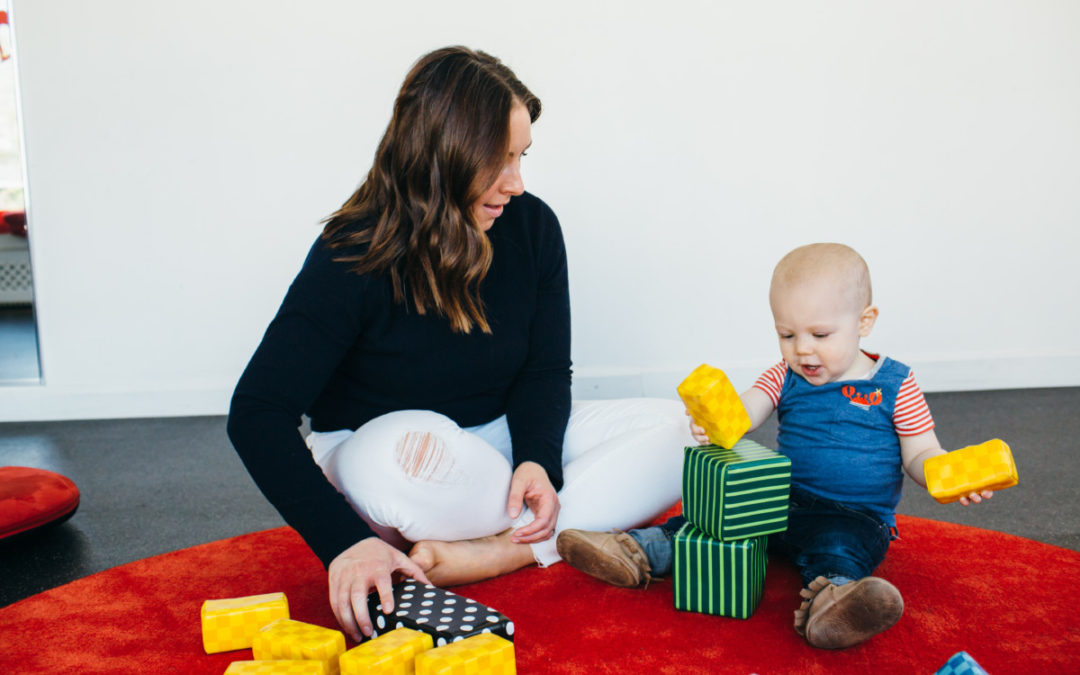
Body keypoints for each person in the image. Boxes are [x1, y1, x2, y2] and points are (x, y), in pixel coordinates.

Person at [226, 46, 690, 643]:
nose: (516, 183)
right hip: (387, 458)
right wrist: (346, 543)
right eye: (499, 161)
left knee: (684, 432)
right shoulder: (353, 253)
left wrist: (539, 461)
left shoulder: (534, 227)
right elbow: (257, 413)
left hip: (496, 442)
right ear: (441, 157)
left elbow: (546, 369)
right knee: (406, 458)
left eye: (522, 157)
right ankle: (554, 523)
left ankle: (507, 550)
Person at [556, 243, 994, 650]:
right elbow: (747, 409)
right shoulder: (785, 375)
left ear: (864, 321)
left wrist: (947, 476)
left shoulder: (895, 384)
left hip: (854, 515)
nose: (802, 350)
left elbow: (920, 454)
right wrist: (718, 421)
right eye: (787, 335)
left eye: (820, 335)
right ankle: (638, 550)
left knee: (838, 548)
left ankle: (833, 603)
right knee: (715, 521)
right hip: (779, 498)